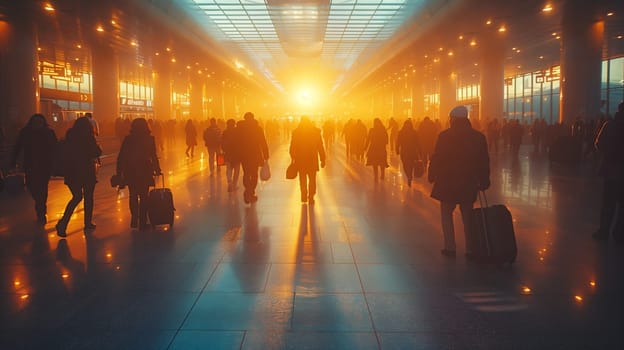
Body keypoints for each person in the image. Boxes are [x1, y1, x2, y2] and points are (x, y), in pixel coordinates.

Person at [428, 105, 490, 258]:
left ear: (453, 119)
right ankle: (470, 248)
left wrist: (432, 174)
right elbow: (483, 161)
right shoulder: (478, 137)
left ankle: (450, 247)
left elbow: (438, 157)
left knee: (446, 215)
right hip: (468, 182)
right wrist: (484, 180)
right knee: (468, 216)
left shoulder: (444, 136)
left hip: (447, 182)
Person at [56, 117, 102, 237]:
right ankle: (87, 223)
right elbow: (97, 152)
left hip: (72, 172)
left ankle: (63, 222)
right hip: (87, 171)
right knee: (88, 198)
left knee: (76, 197)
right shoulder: (89, 137)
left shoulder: (69, 137)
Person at [10, 113, 58, 224]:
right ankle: (40, 204)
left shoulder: (48, 133)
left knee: (42, 187)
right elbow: (18, 147)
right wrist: (13, 161)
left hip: (44, 166)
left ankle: (41, 211)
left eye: (39, 122)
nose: (37, 124)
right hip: (30, 165)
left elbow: (55, 149)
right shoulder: (25, 133)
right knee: (31, 186)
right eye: (35, 122)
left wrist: (55, 164)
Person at [116, 118, 161, 230]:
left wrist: (119, 171)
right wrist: (157, 169)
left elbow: (121, 157)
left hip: (130, 170)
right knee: (144, 196)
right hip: (145, 170)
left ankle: (134, 217)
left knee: (133, 195)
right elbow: (153, 156)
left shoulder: (128, 139)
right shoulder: (149, 139)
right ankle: (142, 221)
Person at [592, 101, 624, 243]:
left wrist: (608, 154)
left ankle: (604, 231)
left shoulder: (609, 125)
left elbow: (598, 143)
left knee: (608, 204)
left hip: (611, 171)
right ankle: (619, 233)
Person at [289, 116, 326, 204]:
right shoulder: (316, 132)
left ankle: (304, 195)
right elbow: (320, 146)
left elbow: (292, 147)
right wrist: (322, 159)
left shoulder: (296, 132)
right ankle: (311, 196)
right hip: (312, 159)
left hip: (300, 160)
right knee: (312, 179)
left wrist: (293, 157)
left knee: (302, 179)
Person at [237, 112, 269, 204]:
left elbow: (236, 142)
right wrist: (266, 155)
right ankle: (250, 192)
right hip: (255, 155)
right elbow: (263, 142)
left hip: (243, 155)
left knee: (246, 173)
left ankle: (248, 190)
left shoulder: (240, 128)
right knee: (254, 174)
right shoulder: (257, 128)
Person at [395, 119, 422, 187]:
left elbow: (417, 142)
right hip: (409, 151)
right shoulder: (411, 132)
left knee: (408, 164)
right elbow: (398, 142)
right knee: (408, 164)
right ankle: (409, 175)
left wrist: (397, 149)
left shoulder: (404, 132)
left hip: (408, 151)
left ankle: (409, 175)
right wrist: (397, 149)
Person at [221, 119, 241, 192]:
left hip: (227, 153)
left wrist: (223, 150)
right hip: (236, 153)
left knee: (228, 168)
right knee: (236, 169)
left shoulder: (225, 132)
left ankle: (229, 181)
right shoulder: (237, 132)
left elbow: (222, 142)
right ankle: (234, 184)